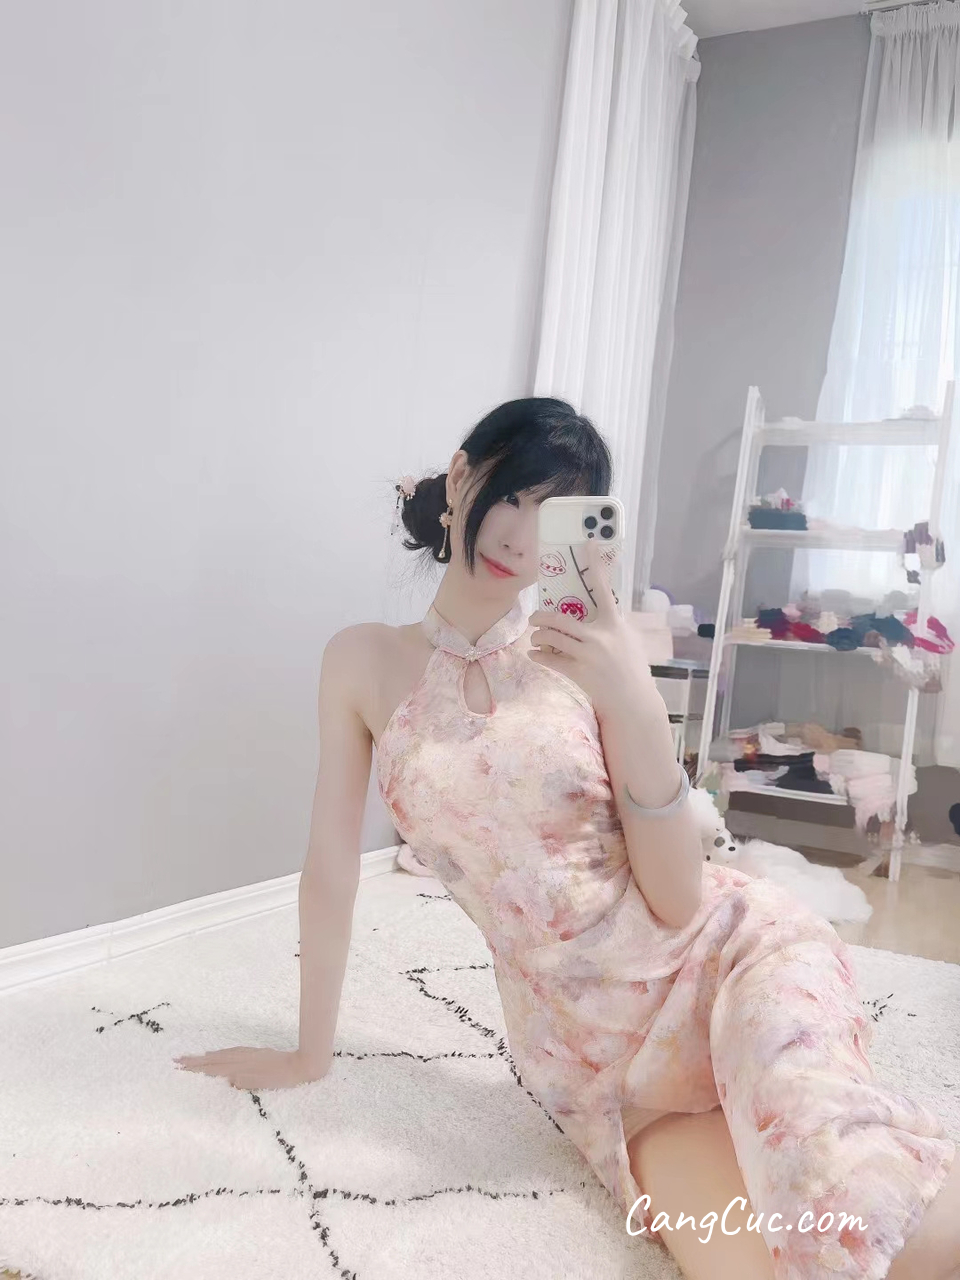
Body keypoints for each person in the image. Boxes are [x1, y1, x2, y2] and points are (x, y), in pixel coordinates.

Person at [175, 398, 959, 1279]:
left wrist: (632, 696)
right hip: (598, 1061)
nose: (518, 537)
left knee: (851, 1203)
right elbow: (329, 867)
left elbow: (679, 898)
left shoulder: (586, 658)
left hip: (727, 958)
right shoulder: (361, 660)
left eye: (552, 514)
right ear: (462, 476)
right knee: (764, 1266)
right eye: (512, 495)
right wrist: (308, 1052)